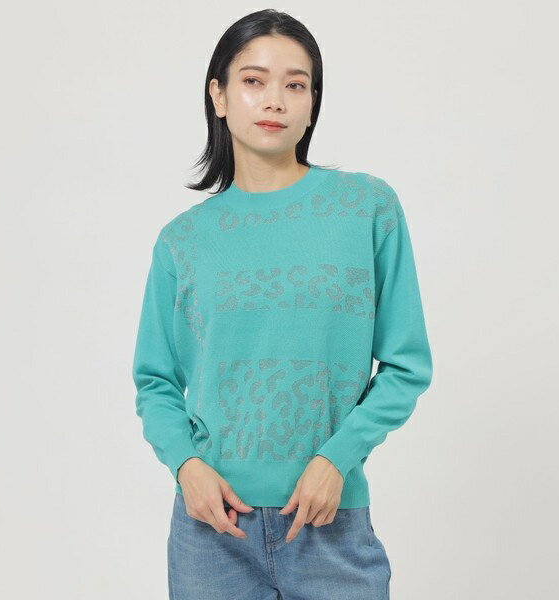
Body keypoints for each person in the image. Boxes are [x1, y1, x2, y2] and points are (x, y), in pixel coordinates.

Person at [132, 9, 432, 600]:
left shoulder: (366, 208)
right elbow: (155, 381)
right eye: (253, 80)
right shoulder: (183, 240)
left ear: (312, 104)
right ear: (218, 96)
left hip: (330, 520)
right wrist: (187, 468)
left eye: (296, 85)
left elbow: (406, 364)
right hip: (211, 530)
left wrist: (336, 460)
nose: (275, 100)